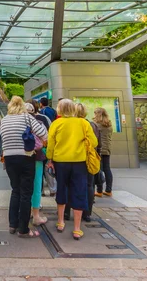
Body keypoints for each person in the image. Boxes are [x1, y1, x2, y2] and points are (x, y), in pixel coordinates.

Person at [46, 99, 98, 241]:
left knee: (61, 189)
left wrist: (50, 159)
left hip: (60, 162)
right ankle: (77, 229)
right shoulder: (83, 123)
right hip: (79, 162)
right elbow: (94, 142)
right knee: (79, 191)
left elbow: (51, 144)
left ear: (60, 109)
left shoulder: (56, 123)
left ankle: (61, 222)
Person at [0, 96, 47, 238]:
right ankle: (23, 229)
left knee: (16, 190)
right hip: (26, 157)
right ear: (22, 106)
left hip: (9, 158)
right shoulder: (27, 117)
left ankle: (12, 225)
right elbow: (44, 134)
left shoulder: (4, 120)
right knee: (26, 193)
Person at [68, 103, 100, 223]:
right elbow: (97, 143)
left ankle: (68, 212)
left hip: (75, 158)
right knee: (89, 185)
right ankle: (87, 213)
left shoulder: (72, 124)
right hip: (90, 158)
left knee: (72, 184)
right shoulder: (92, 125)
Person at [24, 102, 49, 227]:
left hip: (22, 156)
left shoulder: (18, 122)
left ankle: (25, 212)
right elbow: (46, 138)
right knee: (37, 184)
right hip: (37, 156)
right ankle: (36, 215)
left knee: (23, 184)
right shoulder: (40, 121)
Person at [94, 107, 113, 198]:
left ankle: (99, 190)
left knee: (99, 170)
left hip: (99, 149)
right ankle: (109, 190)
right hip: (107, 149)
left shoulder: (97, 125)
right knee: (107, 169)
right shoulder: (109, 124)